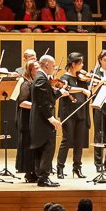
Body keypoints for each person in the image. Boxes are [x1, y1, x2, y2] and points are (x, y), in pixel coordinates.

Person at [56, 53, 91, 179]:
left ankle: (77, 167)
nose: (83, 65)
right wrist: (82, 90)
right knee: (67, 140)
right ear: (73, 64)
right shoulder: (64, 77)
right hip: (68, 113)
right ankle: (60, 167)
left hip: (81, 112)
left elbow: (89, 93)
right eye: (80, 63)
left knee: (79, 142)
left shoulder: (81, 78)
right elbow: (67, 88)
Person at [30, 55, 62, 188]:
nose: (54, 68)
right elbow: (42, 103)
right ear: (47, 64)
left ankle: (41, 177)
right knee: (48, 148)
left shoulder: (41, 78)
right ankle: (43, 177)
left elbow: (48, 98)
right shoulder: (41, 79)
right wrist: (52, 119)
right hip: (43, 121)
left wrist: (59, 92)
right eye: (53, 65)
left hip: (40, 120)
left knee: (41, 148)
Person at [13, 49, 39, 181]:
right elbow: (22, 102)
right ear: (31, 70)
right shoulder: (25, 83)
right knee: (27, 146)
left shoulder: (34, 82)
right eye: (37, 69)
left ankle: (35, 170)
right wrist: (37, 107)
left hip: (32, 118)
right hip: (25, 119)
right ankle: (29, 172)